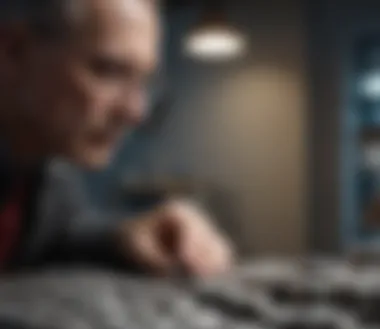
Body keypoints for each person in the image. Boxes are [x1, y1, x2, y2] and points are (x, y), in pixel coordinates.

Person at [0, 0, 234, 277]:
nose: (136, 112)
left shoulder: (48, 173)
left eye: (144, 81)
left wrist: (128, 236)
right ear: (13, 51)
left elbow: (61, 236)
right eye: (109, 71)